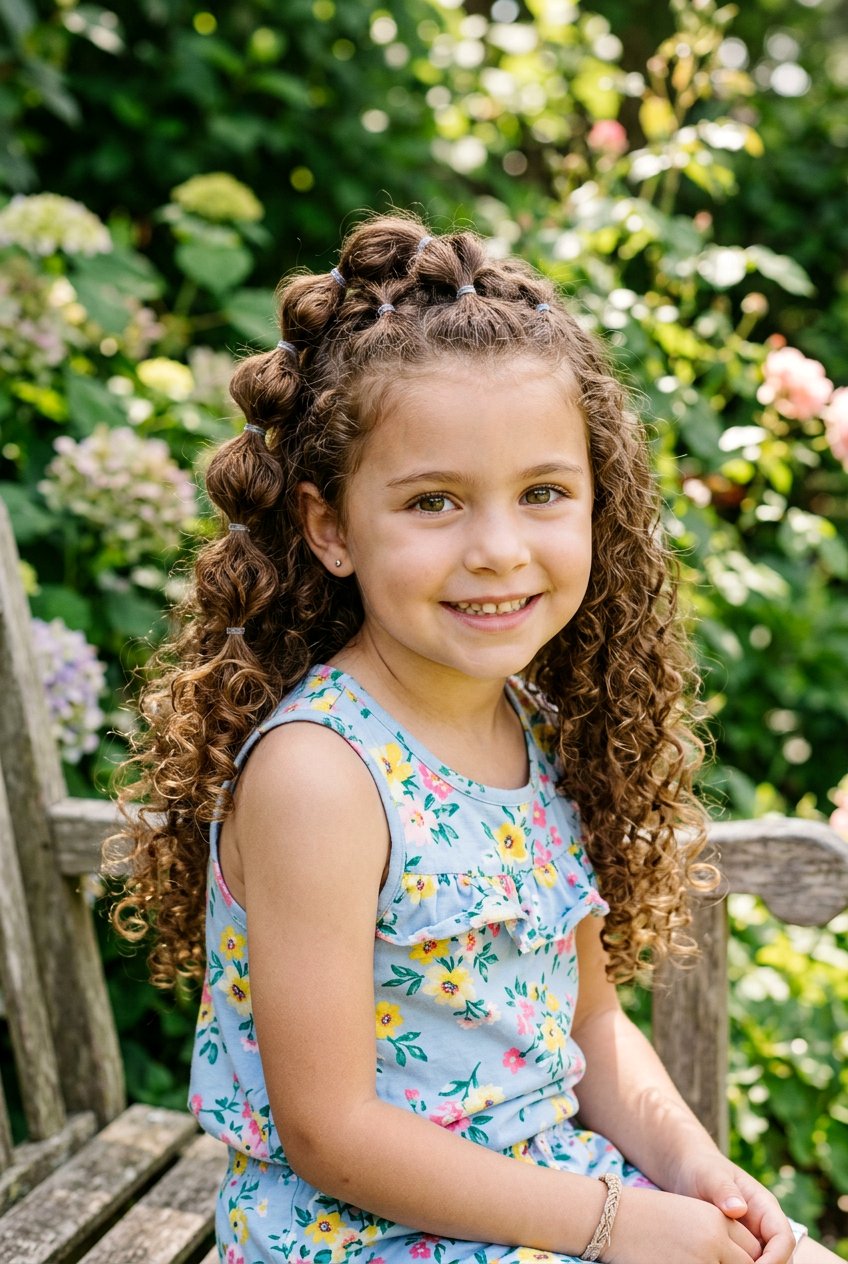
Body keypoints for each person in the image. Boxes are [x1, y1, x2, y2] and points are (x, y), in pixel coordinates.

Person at [111, 212, 841, 1264]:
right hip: (365, 1239)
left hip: (542, 1207)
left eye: (542, 493)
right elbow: (330, 1131)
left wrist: (694, 1169)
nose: (498, 550)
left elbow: (591, 1028)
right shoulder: (321, 775)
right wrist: (614, 1220)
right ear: (329, 526)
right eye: (434, 501)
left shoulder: (532, 733)